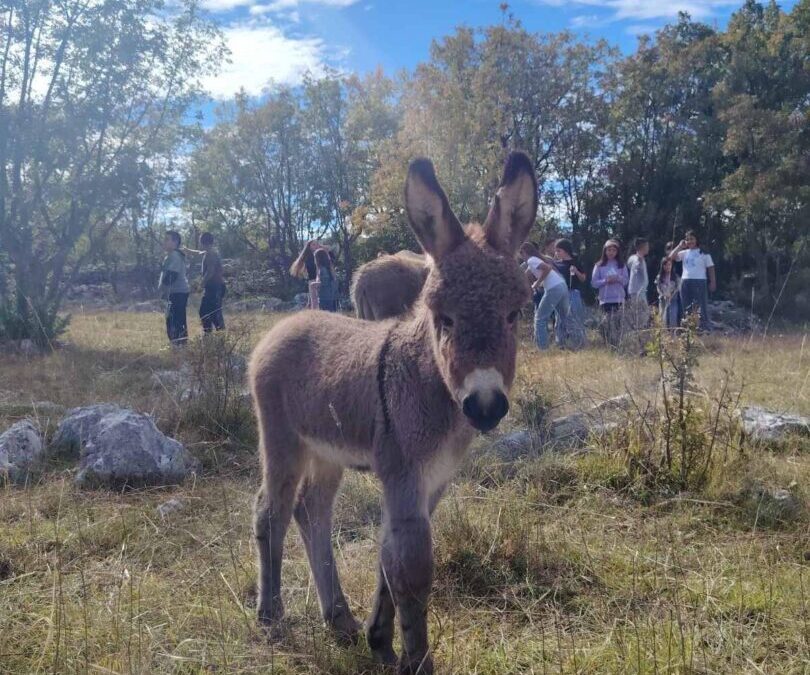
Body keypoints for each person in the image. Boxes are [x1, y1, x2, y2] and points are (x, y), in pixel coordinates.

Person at [520, 241, 570, 351]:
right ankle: (563, 344)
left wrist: (538, 283)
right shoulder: (538, 259)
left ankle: (542, 348)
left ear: (524, 252)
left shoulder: (531, 260)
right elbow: (526, 274)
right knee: (562, 317)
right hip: (562, 286)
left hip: (553, 288)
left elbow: (547, 268)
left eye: (521, 253)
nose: (521, 257)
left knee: (540, 318)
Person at [668, 230, 715, 332]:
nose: (690, 241)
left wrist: (713, 282)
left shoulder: (704, 253)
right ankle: (689, 329)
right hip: (685, 281)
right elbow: (671, 257)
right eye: (687, 239)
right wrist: (680, 246)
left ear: (696, 239)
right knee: (686, 306)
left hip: (699, 281)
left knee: (699, 306)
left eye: (692, 239)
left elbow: (711, 268)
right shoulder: (684, 253)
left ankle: (703, 328)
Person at [185, 232, 226, 333]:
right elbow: (198, 253)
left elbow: (210, 272)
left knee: (212, 313)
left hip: (215, 287)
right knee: (206, 312)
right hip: (213, 287)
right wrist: (187, 250)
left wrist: (201, 285)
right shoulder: (208, 251)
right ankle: (210, 335)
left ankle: (218, 336)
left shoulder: (211, 254)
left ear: (203, 242)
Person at [591, 239, 629, 348]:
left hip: (618, 299)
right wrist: (605, 281)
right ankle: (608, 344)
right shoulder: (599, 265)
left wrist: (617, 278)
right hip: (605, 299)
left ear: (617, 252)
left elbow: (626, 281)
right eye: (609, 250)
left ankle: (619, 345)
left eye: (613, 250)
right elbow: (594, 283)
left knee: (618, 323)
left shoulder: (621, 265)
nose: (611, 252)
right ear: (604, 251)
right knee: (606, 323)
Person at [550, 238, 587, 350]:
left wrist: (576, 271)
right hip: (560, 294)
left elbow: (583, 279)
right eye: (556, 251)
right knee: (560, 319)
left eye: (559, 250)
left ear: (566, 251)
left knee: (575, 318)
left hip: (573, 293)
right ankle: (561, 344)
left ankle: (578, 344)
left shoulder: (577, 261)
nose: (556, 253)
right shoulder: (555, 264)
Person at [159, 230, 190, 346]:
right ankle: (179, 345)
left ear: (175, 242)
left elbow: (172, 275)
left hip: (178, 293)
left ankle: (179, 346)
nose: (164, 242)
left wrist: (163, 289)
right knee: (173, 320)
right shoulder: (171, 256)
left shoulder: (175, 256)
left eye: (167, 239)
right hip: (175, 293)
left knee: (175, 321)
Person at [290, 240, 322, 309]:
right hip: (312, 280)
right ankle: (314, 314)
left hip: (321, 280)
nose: (316, 246)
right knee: (314, 300)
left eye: (316, 244)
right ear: (309, 247)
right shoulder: (308, 257)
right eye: (313, 244)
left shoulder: (320, 255)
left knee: (316, 300)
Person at [656, 257, 681, 328]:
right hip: (663, 300)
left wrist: (671, 295)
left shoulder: (675, 277)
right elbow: (658, 288)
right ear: (662, 266)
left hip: (673, 300)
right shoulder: (659, 277)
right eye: (665, 265)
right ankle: (663, 334)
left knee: (673, 317)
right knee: (662, 317)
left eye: (669, 265)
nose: (667, 267)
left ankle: (673, 334)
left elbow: (678, 288)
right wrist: (663, 294)